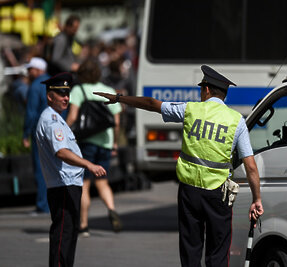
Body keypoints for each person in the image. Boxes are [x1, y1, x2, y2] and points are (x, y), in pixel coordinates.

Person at [95, 65, 264, 267]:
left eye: (201, 89)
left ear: (207, 90)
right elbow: (251, 166)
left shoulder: (190, 110)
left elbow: (151, 104)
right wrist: (257, 199)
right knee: (218, 252)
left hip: (189, 192)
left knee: (190, 250)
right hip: (218, 194)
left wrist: (119, 99)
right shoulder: (237, 121)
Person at [35, 72, 106, 267]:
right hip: (63, 185)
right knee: (63, 236)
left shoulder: (58, 118)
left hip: (68, 185)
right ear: (50, 96)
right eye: (61, 94)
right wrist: (89, 164)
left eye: (67, 93)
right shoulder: (51, 120)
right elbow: (62, 152)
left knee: (69, 235)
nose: (66, 98)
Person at [66, 59, 123, 236]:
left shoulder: (78, 90)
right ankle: (112, 208)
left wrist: (63, 131)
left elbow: (73, 116)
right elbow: (116, 121)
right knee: (102, 181)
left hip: (86, 142)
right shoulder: (109, 90)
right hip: (105, 142)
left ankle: (83, 224)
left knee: (84, 183)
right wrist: (114, 143)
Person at [23, 57, 51, 214]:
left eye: (31, 69)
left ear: (39, 70)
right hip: (56, 130)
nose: (29, 72)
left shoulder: (35, 86)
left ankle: (43, 205)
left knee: (41, 169)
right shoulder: (53, 83)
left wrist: (25, 133)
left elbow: (31, 112)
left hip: (40, 131)